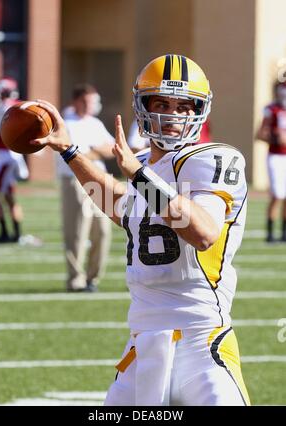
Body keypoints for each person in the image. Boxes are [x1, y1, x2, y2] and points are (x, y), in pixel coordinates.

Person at [31, 54, 250, 406]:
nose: (171, 115)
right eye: (161, 102)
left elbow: (203, 232)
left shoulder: (213, 159)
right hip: (142, 343)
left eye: (182, 106)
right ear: (141, 105)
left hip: (201, 340)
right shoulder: (145, 167)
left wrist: (138, 176)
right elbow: (116, 203)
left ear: (199, 110)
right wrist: (70, 151)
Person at [56, 83, 114, 292]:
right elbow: (77, 156)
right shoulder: (67, 122)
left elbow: (110, 149)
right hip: (74, 180)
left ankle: (93, 278)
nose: (95, 105)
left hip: (98, 179)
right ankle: (76, 280)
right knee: (77, 231)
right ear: (78, 101)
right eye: (91, 101)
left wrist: (94, 151)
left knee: (103, 230)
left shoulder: (95, 123)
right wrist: (95, 151)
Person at [0, 78, 28, 243]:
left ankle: (5, 232)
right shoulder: (11, 105)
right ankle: (16, 233)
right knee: (9, 196)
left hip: (5, 156)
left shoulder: (7, 106)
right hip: (6, 156)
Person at [256, 80, 286, 242]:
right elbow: (260, 134)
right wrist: (275, 137)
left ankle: (284, 233)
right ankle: (270, 233)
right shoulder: (272, 110)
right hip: (276, 155)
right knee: (277, 195)